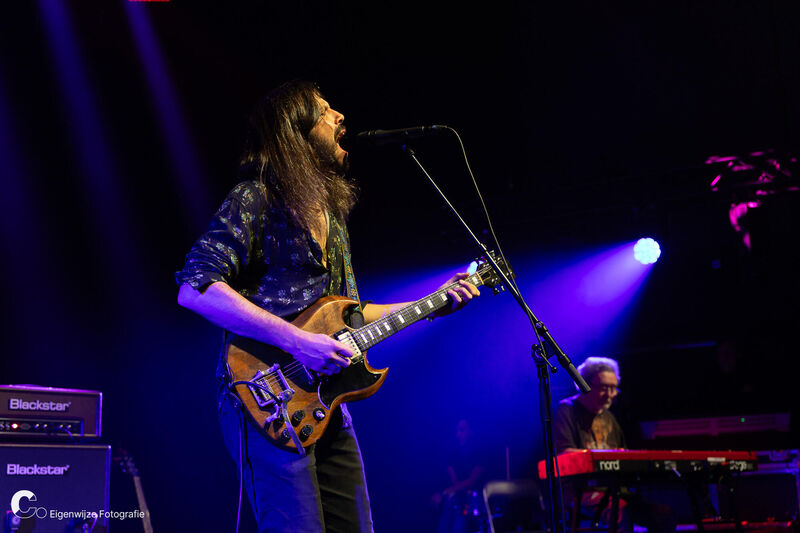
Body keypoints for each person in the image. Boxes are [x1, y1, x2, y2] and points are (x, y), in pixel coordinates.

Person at [175, 80, 479, 533]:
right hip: (266, 395)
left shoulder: (332, 218)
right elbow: (195, 287)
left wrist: (431, 303)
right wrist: (298, 342)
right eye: (324, 111)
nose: (339, 116)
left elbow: (351, 313)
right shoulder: (255, 197)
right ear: (295, 133)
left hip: (325, 399)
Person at [553, 357, 675, 533]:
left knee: (663, 515)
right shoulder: (566, 411)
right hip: (580, 491)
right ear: (583, 384)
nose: (610, 394)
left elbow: (621, 456)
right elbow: (564, 455)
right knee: (621, 512)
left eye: (614, 388)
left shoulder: (609, 418)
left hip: (615, 490)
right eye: (604, 388)